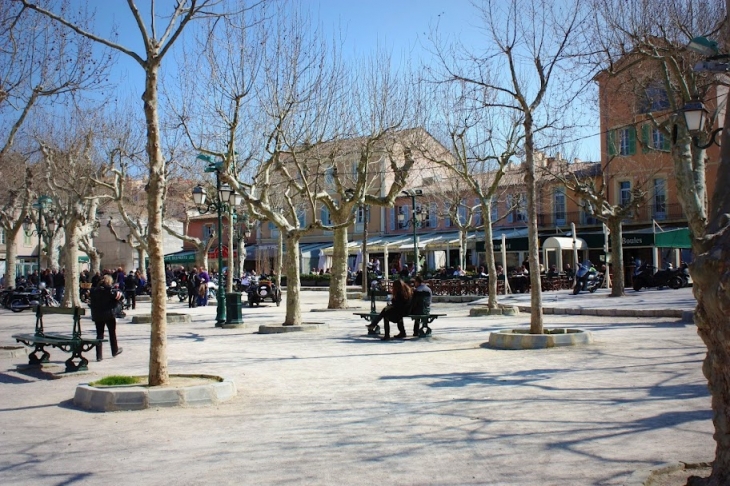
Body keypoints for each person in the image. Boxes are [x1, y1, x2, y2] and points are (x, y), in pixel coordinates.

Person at [89, 274, 123, 361]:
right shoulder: (109, 290)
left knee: (99, 334)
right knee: (112, 333)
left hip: (97, 314)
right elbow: (120, 297)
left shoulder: (94, 290)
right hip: (109, 314)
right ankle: (114, 350)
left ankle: (99, 355)